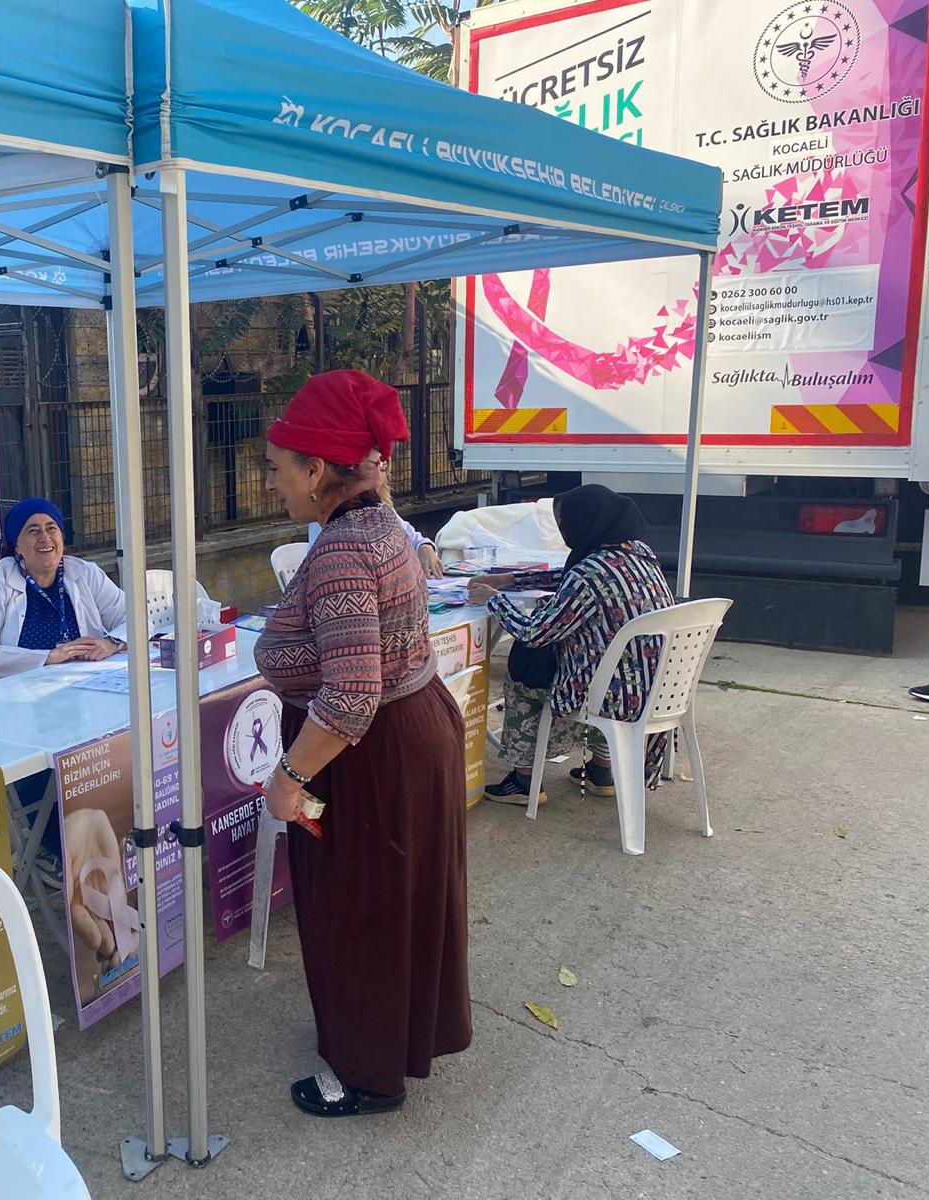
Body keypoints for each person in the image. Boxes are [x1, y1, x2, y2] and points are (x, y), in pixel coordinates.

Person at [254, 369, 471, 1117]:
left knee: (361, 907)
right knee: (395, 901)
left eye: (281, 468)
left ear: (317, 471)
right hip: (404, 737)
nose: (274, 482)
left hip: (369, 755)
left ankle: (367, 1072)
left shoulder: (347, 549)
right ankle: (395, 1036)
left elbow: (349, 694)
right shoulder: (383, 526)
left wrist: (286, 776)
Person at [469, 484, 675, 804]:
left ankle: (525, 780)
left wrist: (493, 599)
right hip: (656, 689)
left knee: (526, 664)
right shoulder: (638, 554)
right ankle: (601, 769)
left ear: (585, 522)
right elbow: (568, 580)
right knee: (591, 663)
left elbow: (535, 632)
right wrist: (510, 580)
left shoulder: (591, 572)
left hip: (612, 698)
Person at [0, 497, 127, 691]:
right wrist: (51, 656)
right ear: (16, 545)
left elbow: (137, 619)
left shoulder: (85, 573)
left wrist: (111, 643)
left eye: (51, 528)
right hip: (5, 694)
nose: (45, 537)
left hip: (77, 687)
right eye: (33, 531)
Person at [308, 457, 445, 579]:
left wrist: (424, 546)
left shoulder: (381, 509)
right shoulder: (331, 518)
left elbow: (411, 537)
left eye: (383, 466)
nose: (380, 474)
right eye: (375, 464)